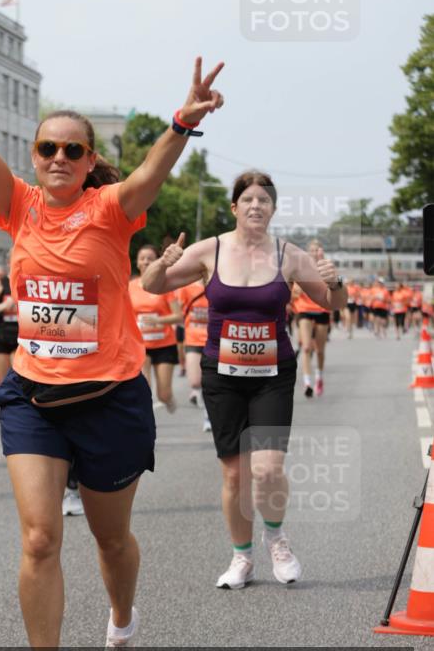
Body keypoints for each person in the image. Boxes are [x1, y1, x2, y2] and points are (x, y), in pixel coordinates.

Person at [0, 3, 224, 651]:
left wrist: (182, 122)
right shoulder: (18, 205)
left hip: (110, 398)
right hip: (34, 397)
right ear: (34, 156)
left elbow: (151, 169)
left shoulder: (113, 209)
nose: (58, 158)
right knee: (39, 537)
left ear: (90, 161)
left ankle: (121, 626)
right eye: (47, 149)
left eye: (72, 150)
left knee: (111, 538)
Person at [142, 170, 346, 589]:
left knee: (268, 469)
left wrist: (335, 281)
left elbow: (332, 303)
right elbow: (152, 286)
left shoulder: (289, 255)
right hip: (223, 375)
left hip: (272, 375)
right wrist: (162, 263)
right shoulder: (209, 250)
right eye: (248, 199)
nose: (256, 206)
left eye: (264, 200)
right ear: (234, 207)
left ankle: (276, 539)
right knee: (235, 474)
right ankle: (242, 557)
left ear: (273, 209)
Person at [128, 243, 182, 412]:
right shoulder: (129, 287)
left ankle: (169, 400)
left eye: (150, 259)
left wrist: (159, 320)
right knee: (144, 389)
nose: (145, 261)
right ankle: (145, 421)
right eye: (142, 258)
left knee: (163, 394)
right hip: (140, 345)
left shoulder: (164, 286)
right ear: (137, 263)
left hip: (164, 345)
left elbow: (179, 316)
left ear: (156, 262)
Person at [292, 242, 332, 397]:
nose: (315, 253)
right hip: (304, 311)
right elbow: (295, 292)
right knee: (307, 347)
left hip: (321, 310)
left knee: (320, 350)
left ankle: (319, 377)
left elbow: (337, 286)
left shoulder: (327, 268)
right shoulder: (301, 269)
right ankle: (307, 382)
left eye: (317, 250)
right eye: (312, 250)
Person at [176, 275, 211, 431]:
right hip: (193, 339)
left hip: (214, 340)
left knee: (211, 381)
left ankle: (208, 416)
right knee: (195, 382)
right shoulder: (187, 288)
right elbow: (178, 313)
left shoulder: (219, 284)